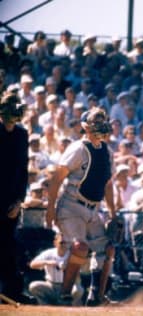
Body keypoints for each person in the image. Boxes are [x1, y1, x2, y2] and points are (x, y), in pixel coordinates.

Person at [45, 108, 117, 306]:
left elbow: (108, 184)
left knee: (108, 249)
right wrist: (51, 208)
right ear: (85, 127)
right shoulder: (78, 148)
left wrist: (113, 212)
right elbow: (56, 177)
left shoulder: (107, 151)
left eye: (102, 121)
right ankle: (65, 293)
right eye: (96, 121)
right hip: (71, 205)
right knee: (80, 247)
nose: (101, 125)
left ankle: (97, 296)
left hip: (94, 208)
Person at [0, 91, 29, 303]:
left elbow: (23, 170)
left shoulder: (21, 134)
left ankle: (12, 291)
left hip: (11, 199)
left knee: (10, 244)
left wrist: (19, 200)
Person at [28, 231, 84, 306]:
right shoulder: (49, 253)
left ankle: (70, 308)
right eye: (61, 242)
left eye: (66, 242)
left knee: (78, 290)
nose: (64, 245)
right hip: (51, 286)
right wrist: (47, 262)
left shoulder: (71, 255)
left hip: (67, 287)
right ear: (55, 243)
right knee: (33, 286)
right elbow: (32, 264)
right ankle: (46, 306)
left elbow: (81, 268)